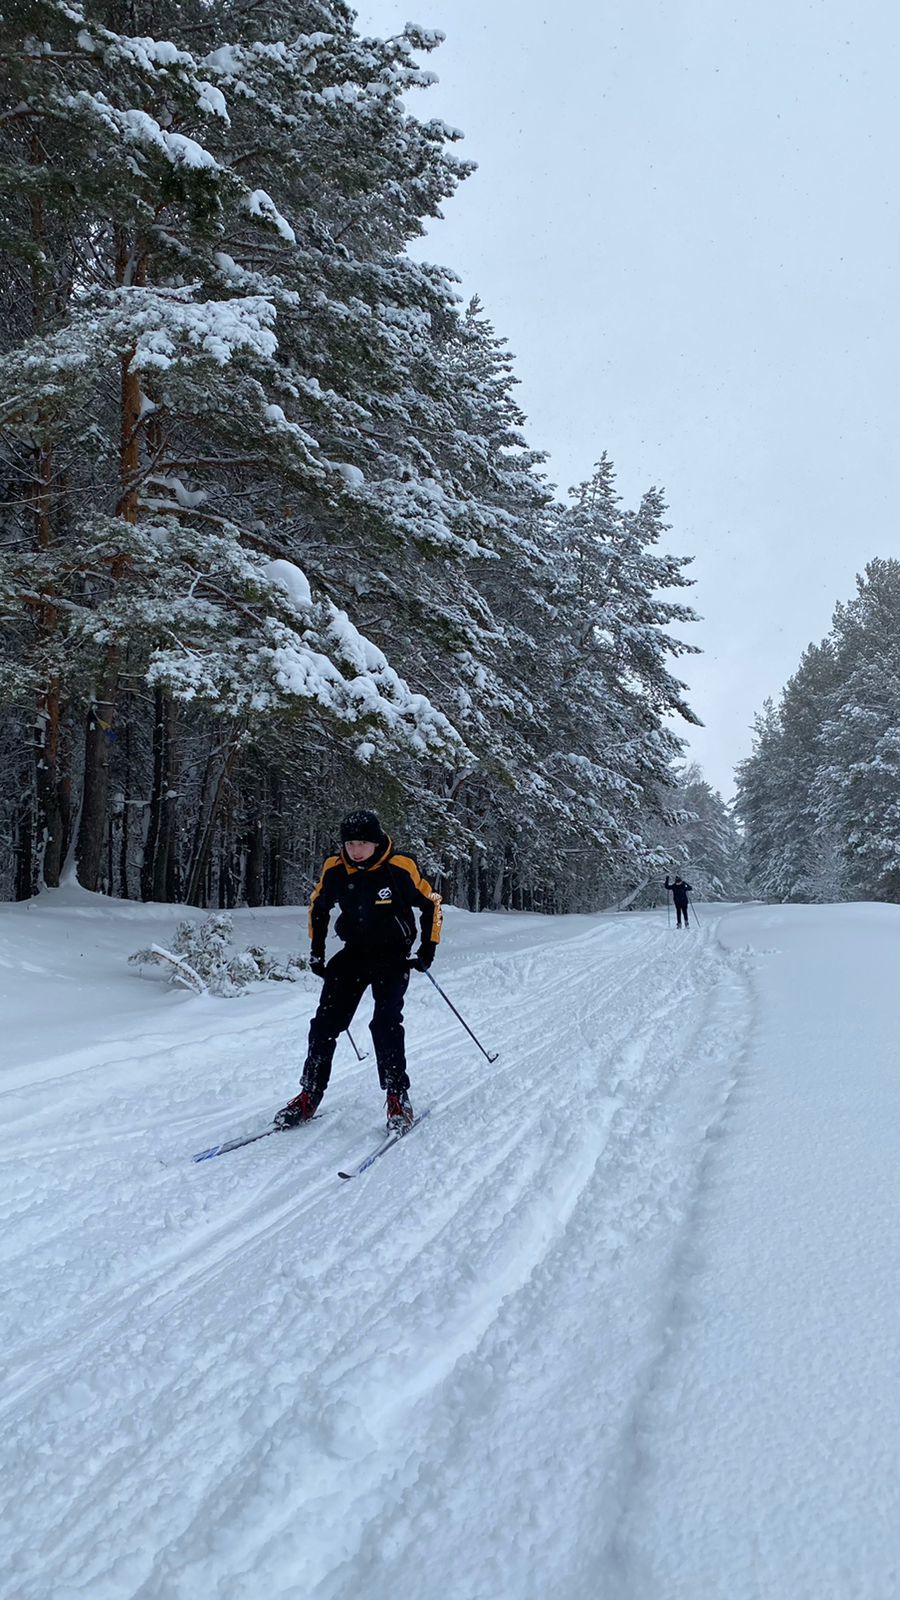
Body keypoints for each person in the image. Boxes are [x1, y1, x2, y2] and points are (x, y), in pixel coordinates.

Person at [275, 810, 442, 1133]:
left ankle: (397, 1096)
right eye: (350, 843)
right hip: (354, 953)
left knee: (385, 1023)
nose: (355, 850)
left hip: (393, 956)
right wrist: (317, 950)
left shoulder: (399, 867)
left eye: (362, 843)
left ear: (376, 841)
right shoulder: (335, 868)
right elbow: (318, 907)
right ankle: (309, 1093)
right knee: (324, 1024)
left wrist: (428, 948)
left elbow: (432, 903)